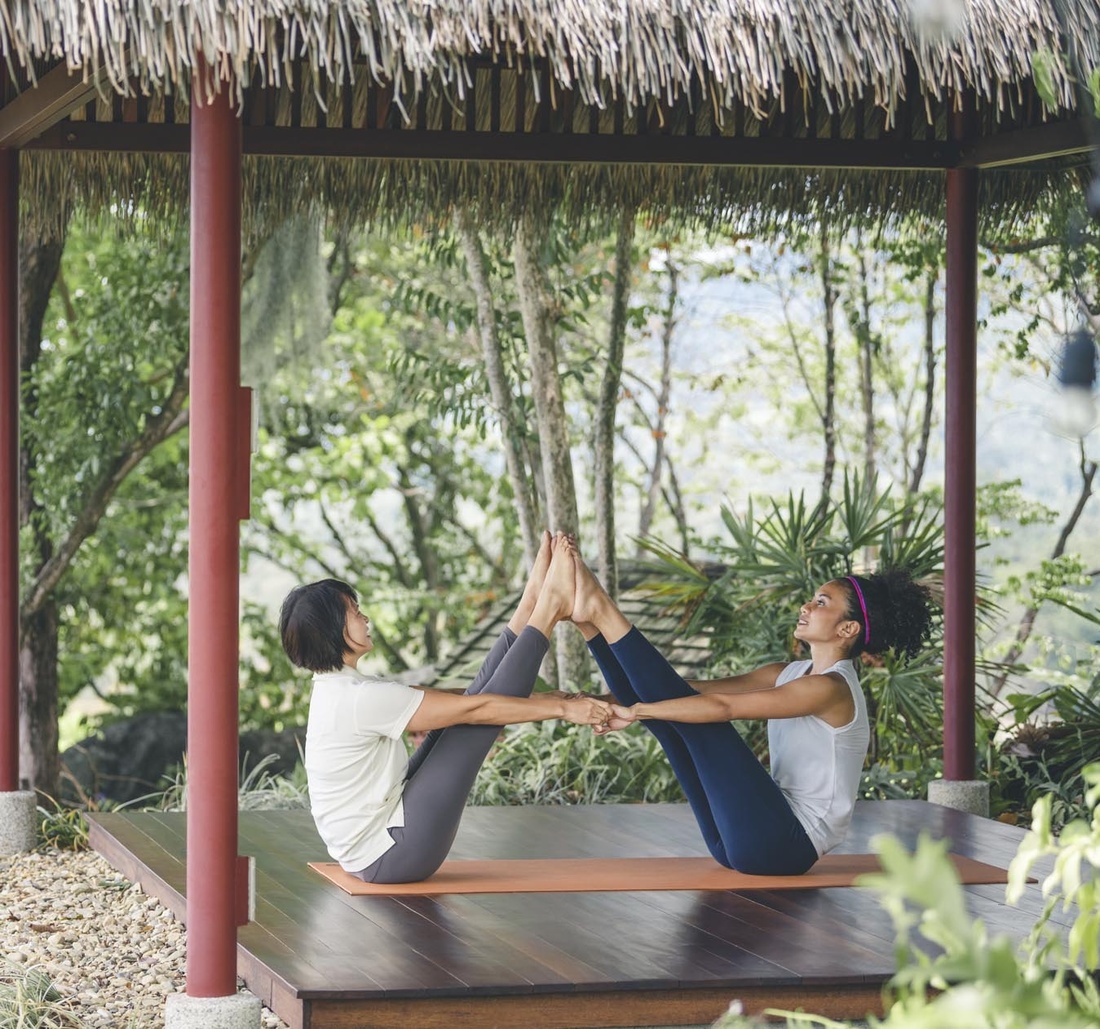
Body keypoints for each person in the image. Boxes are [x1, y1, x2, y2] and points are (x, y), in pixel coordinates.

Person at [569, 551, 934, 875]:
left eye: (821, 603)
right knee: (674, 716)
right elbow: (691, 690)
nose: (806, 607)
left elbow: (722, 708)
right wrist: (605, 701)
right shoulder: (786, 673)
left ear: (848, 628)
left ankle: (599, 607)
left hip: (783, 846)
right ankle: (588, 620)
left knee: (701, 721)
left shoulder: (831, 689)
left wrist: (635, 711)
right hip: (734, 841)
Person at [279, 532, 611, 884]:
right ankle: (550, 606)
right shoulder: (360, 698)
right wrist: (562, 711)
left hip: (376, 847)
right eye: (355, 613)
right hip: (393, 854)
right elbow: (475, 710)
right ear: (332, 631)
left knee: (459, 713)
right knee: (471, 720)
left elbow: (458, 701)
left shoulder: (341, 689)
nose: (365, 619)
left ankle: (532, 602)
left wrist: (545, 700)